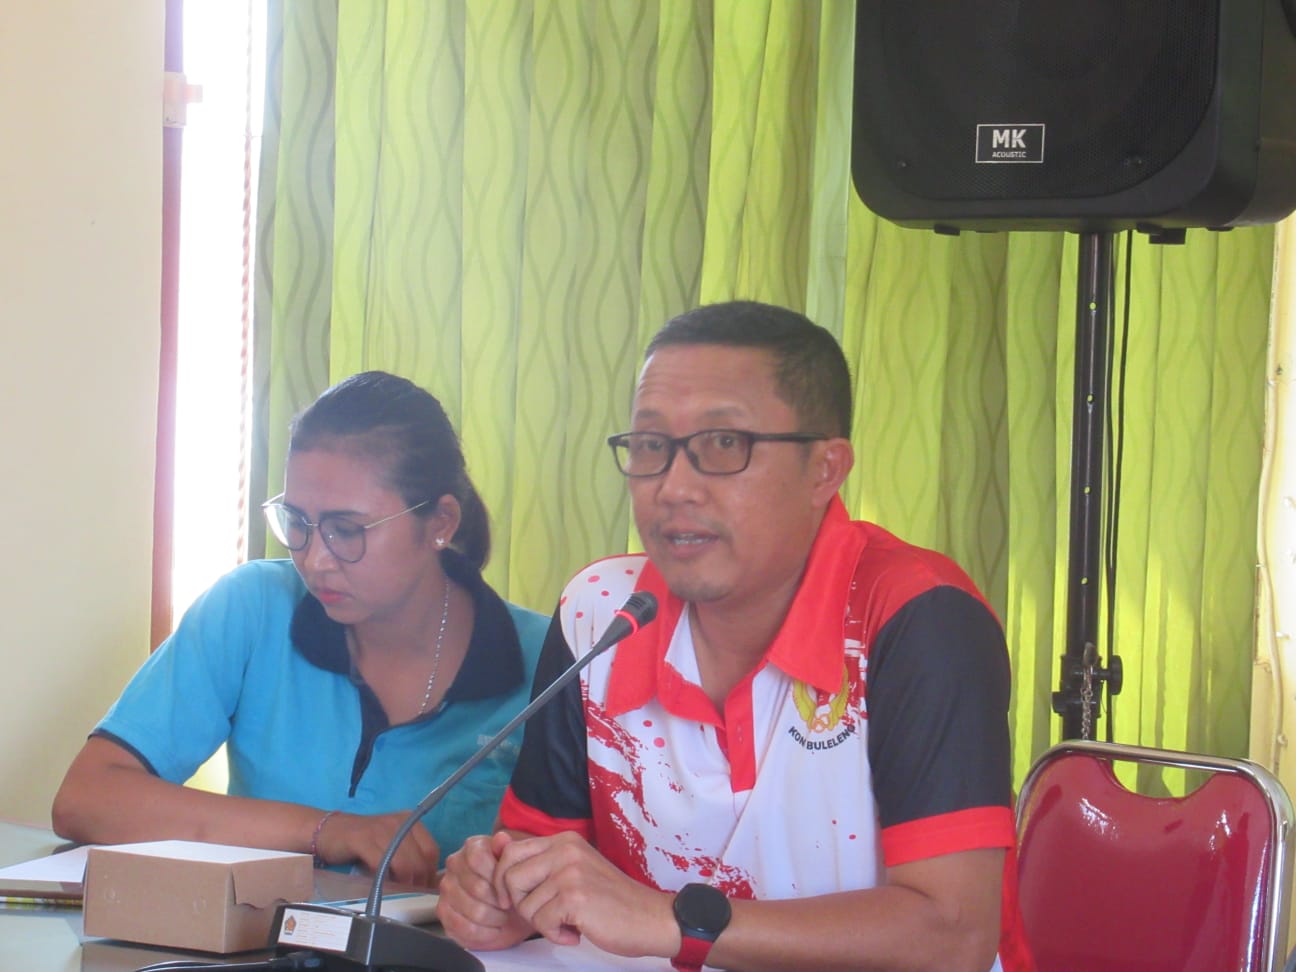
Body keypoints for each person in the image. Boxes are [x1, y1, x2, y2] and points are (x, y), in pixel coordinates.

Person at [436, 302, 1034, 970]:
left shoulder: (917, 618)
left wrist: (671, 920)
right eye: (650, 446)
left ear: (825, 469)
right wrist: (499, 899)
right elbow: (534, 865)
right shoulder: (600, 613)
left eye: (724, 444)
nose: (674, 488)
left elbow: (953, 936)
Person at [52, 371, 548, 889]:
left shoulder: (552, 663)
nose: (314, 559)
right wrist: (325, 830)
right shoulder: (253, 607)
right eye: (296, 522)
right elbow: (87, 799)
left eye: (346, 530)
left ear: (441, 523)